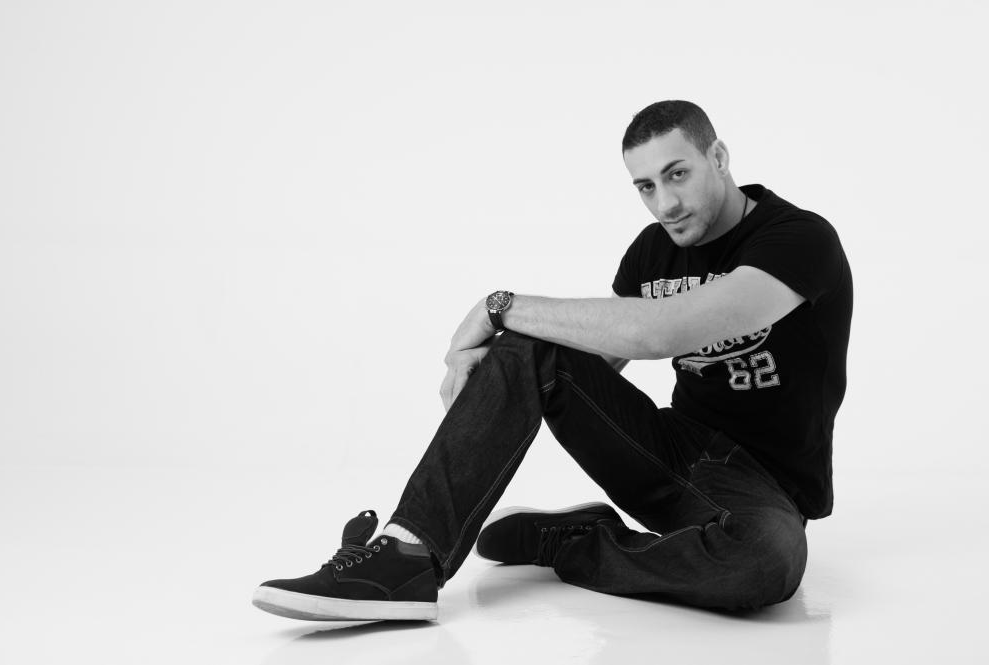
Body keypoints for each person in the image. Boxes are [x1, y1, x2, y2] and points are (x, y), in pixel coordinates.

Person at [251, 99, 853, 621]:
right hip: (669, 452)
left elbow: (661, 331)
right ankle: (407, 552)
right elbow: (589, 363)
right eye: (645, 187)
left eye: (677, 174)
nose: (665, 203)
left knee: (766, 564)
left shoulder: (799, 239)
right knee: (532, 345)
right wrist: (498, 375)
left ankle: (573, 541)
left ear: (718, 157)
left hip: (763, 485)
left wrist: (499, 306)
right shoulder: (653, 251)